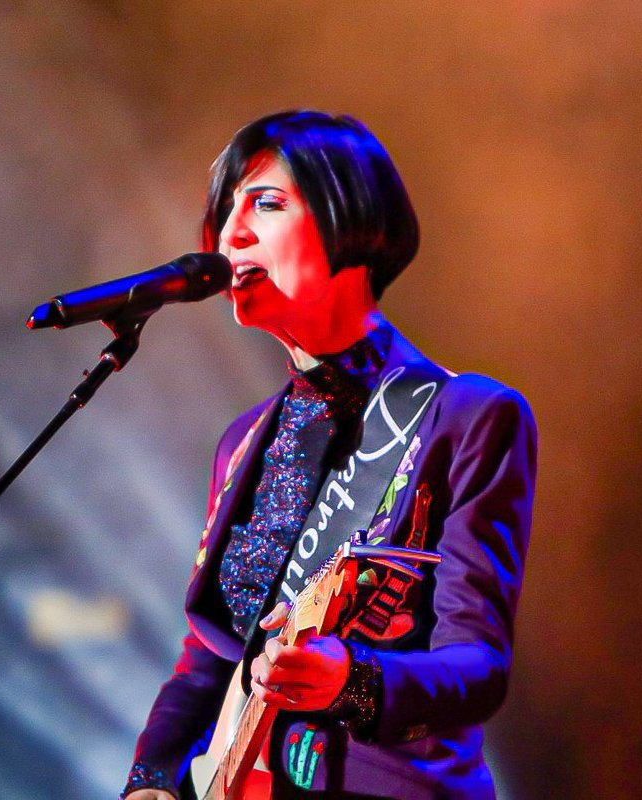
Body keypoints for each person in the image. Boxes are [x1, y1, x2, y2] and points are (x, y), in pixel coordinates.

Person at [121, 110, 537, 800]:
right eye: (226, 213)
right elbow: (209, 658)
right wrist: (151, 780)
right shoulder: (246, 442)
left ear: (354, 217)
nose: (233, 234)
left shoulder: (465, 416)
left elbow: (479, 665)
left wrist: (353, 679)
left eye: (267, 203)